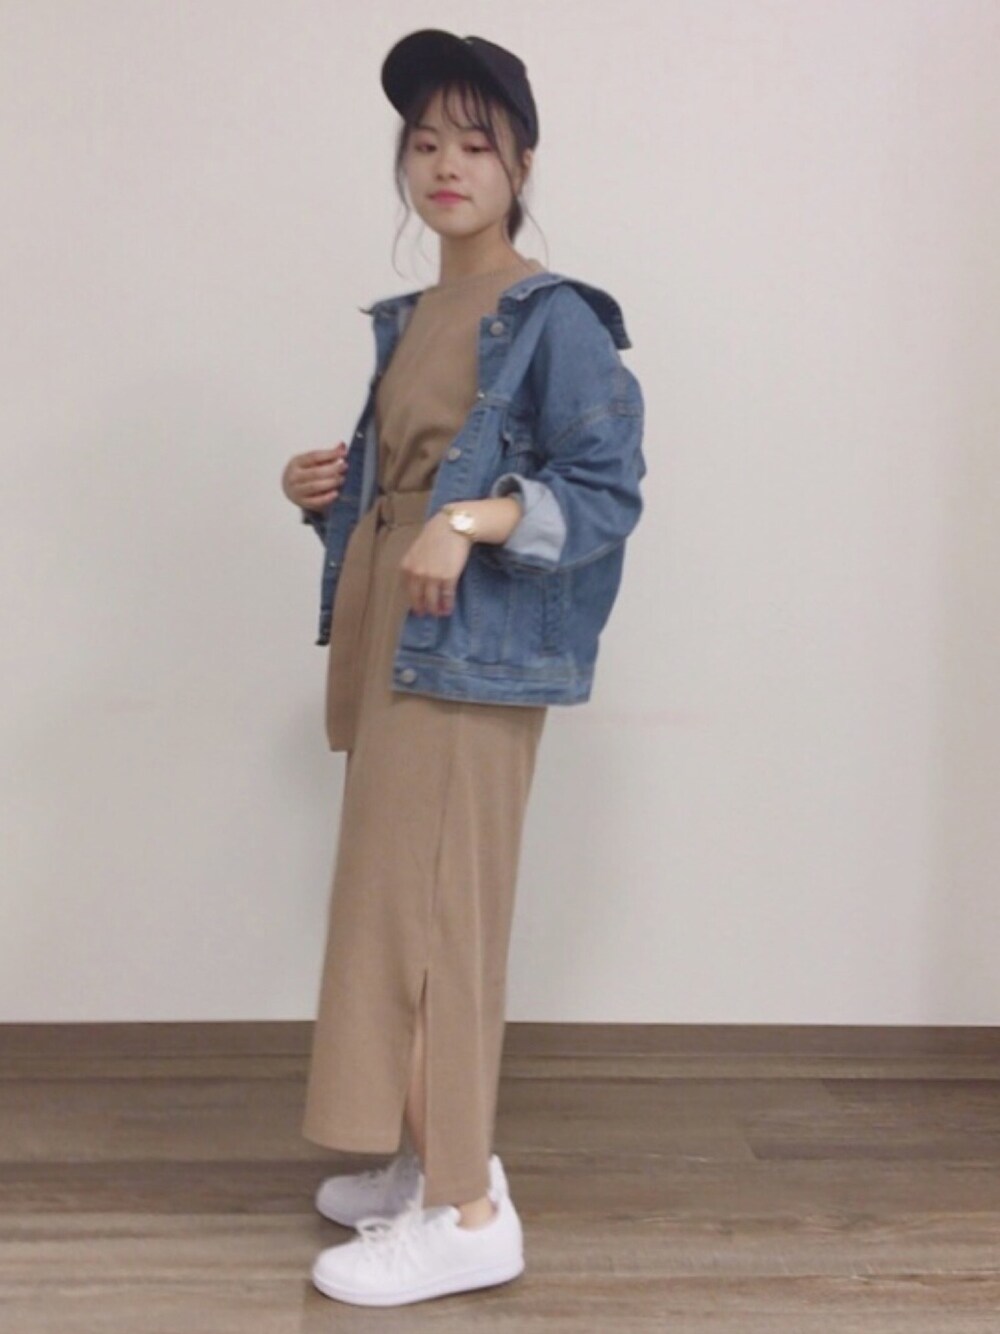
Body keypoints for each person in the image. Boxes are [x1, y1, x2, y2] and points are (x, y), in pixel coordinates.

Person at [280, 28, 646, 1308]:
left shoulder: (554, 319)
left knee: (438, 922)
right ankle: (433, 1156)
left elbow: (604, 492)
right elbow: (406, 490)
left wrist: (474, 516)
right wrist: (325, 494)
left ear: (521, 164)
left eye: (475, 144)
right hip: (397, 636)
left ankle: (469, 1213)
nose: (445, 163)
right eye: (425, 142)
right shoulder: (418, 316)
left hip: (466, 656)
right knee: (393, 910)